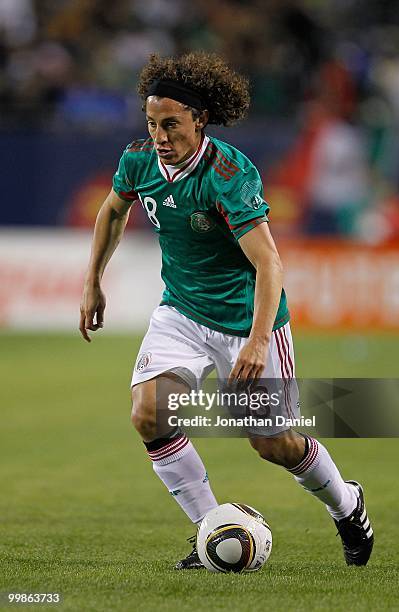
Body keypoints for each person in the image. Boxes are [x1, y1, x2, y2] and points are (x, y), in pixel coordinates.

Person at [79, 52, 373, 569]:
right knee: (149, 413)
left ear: (200, 120)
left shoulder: (229, 174)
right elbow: (112, 211)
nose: (160, 137)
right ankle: (212, 529)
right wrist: (92, 281)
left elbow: (270, 264)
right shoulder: (138, 161)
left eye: (171, 124)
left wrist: (259, 340)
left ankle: (347, 506)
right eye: (151, 124)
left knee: (273, 444)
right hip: (181, 314)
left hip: (246, 321)